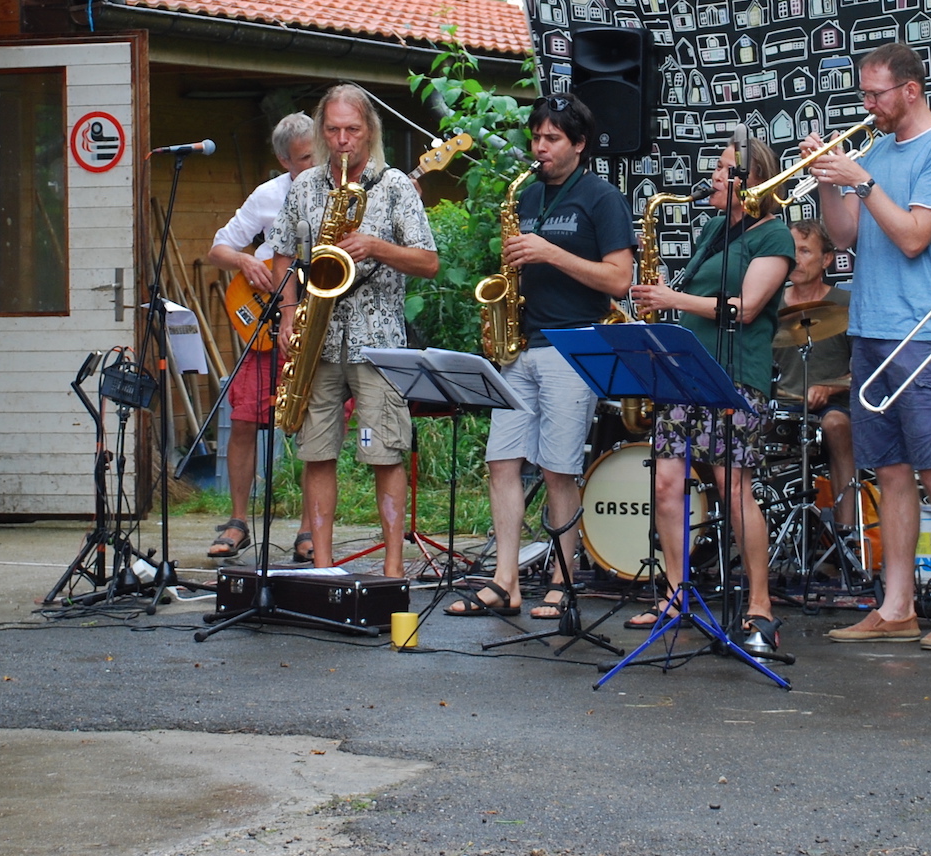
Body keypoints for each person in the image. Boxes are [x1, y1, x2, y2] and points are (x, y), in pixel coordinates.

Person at [807, 42, 931, 650]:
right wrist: (829, 180)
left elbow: (912, 237)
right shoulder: (879, 148)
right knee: (890, 471)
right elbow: (846, 234)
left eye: (876, 93)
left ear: (910, 89)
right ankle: (897, 606)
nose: (868, 104)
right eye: (863, 93)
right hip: (872, 328)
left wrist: (862, 177)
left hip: (923, 332)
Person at [448, 94, 634, 620]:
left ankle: (563, 577)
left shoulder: (601, 198)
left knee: (557, 470)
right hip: (521, 346)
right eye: (536, 137)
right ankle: (505, 579)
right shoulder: (527, 196)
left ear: (578, 144)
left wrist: (549, 252)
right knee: (501, 462)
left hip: (574, 345)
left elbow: (619, 279)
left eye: (552, 139)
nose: (540, 147)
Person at [630, 132, 794, 657]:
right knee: (667, 483)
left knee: (731, 486)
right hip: (685, 372)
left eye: (726, 170)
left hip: (735, 376)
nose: (715, 178)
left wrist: (672, 298)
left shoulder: (775, 237)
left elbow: (744, 308)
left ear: (753, 179)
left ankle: (761, 605)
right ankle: (677, 595)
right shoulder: (714, 229)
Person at [271, 84, 439, 579]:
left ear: (370, 132)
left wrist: (376, 246)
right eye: (333, 130)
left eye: (352, 130)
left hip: (378, 343)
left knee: (384, 453)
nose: (343, 140)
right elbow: (282, 249)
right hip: (316, 341)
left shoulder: (394, 187)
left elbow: (428, 261)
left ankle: (391, 570)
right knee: (317, 453)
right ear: (322, 133)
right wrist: (286, 314)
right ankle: (322, 569)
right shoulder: (304, 186)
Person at [204, 111, 318, 563]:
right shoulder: (267, 196)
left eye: (318, 154)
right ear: (283, 160)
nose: (314, 164)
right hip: (268, 320)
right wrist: (245, 262)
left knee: (316, 424)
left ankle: (311, 529)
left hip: (318, 320)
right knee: (246, 418)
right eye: (304, 158)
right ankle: (237, 521)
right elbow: (218, 247)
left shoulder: (340, 189)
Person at [775, 220, 858, 532]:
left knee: (835, 425)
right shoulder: (769, 303)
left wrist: (829, 387)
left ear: (826, 259)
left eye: (805, 251)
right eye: (792, 250)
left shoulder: (846, 305)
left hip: (833, 407)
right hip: (783, 405)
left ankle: (845, 534)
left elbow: (867, 372)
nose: (796, 258)